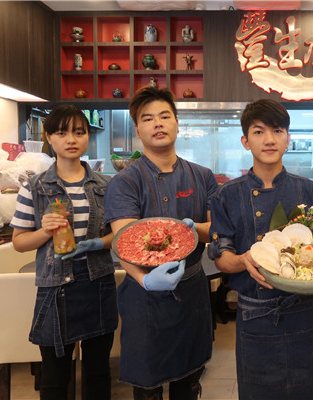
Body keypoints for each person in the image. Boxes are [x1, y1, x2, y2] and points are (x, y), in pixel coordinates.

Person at [208, 99, 313, 400]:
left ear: (288, 139)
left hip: (303, 313)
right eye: (259, 131)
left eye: (277, 130)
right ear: (245, 141)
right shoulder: (226, 195)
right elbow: (222, 258)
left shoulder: (310, 191)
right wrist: (244, 260)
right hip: (255, 315)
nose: (269, 139)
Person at [104, 87, 218, 400]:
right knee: (147, 387)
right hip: (144, 297)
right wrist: (145, 280)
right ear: (137, 129)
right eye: (148, 118)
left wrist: (193, 230)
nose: (158, 123)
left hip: (192, 290)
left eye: (165, 116)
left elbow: (216, 229)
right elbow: (125, 242)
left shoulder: (202, 176)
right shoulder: (124, 182)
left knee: (189, 384)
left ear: (177, 123)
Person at [11, 105, 117, 399]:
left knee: (98, 372)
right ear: (48, 137)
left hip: (98, 282)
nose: (71, 139)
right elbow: (19, 242)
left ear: (87, 138)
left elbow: (119, 235)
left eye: (79, 132)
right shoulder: (34, 188)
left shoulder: (107, 186)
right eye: (61, 133)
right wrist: (45, 231)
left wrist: (98, 243)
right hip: (55, 287)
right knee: (55, 375)